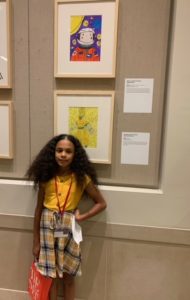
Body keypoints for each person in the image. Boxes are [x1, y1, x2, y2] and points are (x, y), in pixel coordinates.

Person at [26, 134, 107, 300]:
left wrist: (82, 217)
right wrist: (36, 241)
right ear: (53, 152)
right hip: (47, 227)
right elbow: (38, 209)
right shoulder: (46, 176)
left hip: (67, 226)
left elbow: (101, 203)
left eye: (68, 151)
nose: (63, 154)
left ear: (75, 155)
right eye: (59, 150)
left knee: (69, 275)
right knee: (52, 276)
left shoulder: (81, 178)